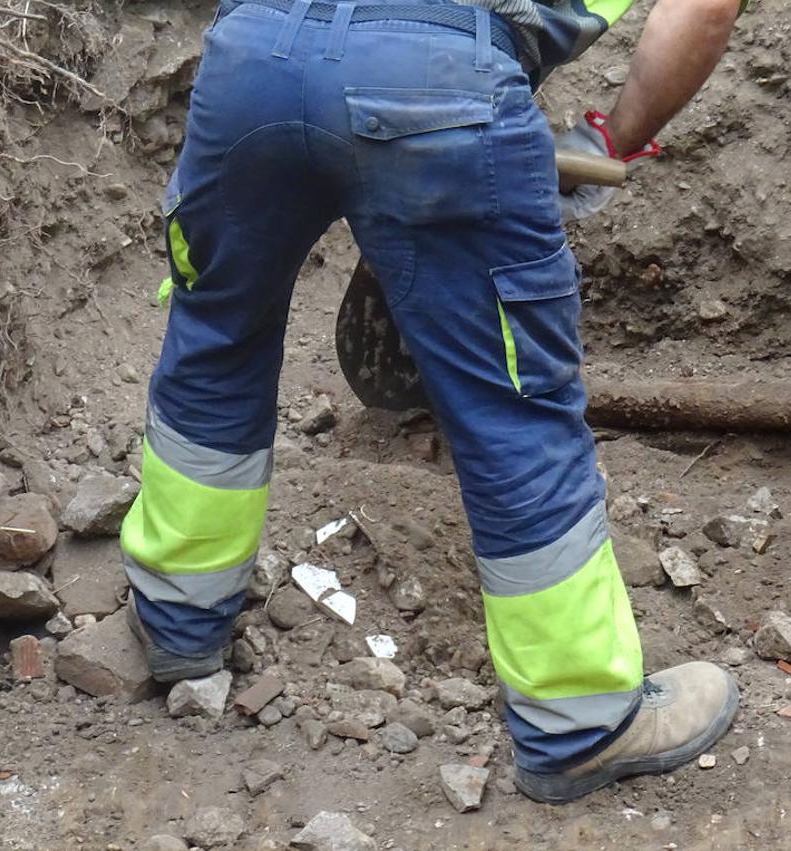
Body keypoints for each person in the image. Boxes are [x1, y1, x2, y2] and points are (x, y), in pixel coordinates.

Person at [120, 0, 745, 803]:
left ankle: (179, 617)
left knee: (216, 332)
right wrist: (611, 137)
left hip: (254, 54)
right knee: (512, 406)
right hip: (442, 84)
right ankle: (579, 718)